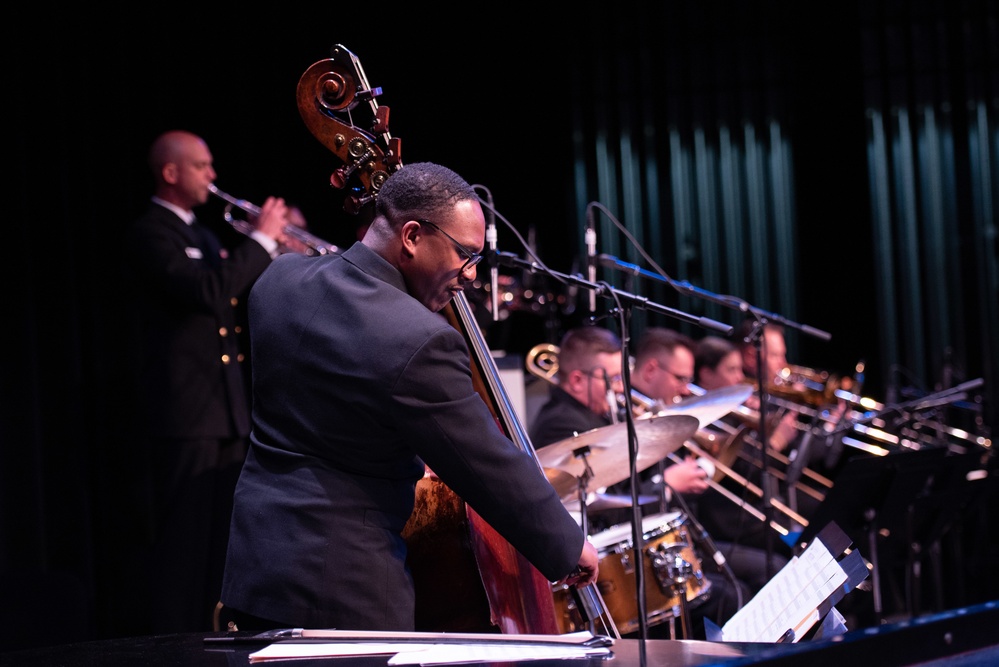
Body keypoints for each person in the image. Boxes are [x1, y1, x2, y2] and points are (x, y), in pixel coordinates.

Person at [220, 162, 598, 632]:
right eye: (465, 254)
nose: (471, 275)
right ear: (413, 235)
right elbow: (484, 464)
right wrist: (567, 543)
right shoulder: (418, 338)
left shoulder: (278, 282)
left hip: (254, 566)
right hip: (346, 586)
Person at [124, 129, 288, 632]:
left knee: (220, 540)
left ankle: (214, 633)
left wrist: (277, 256)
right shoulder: (152, 231)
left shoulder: (204, 234)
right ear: (171, 172)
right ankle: (175, 639)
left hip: (226, 410)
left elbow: (237, 291)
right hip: (187, 413)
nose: (212, 176)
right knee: (183, 541)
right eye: (202, 166)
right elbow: (208, 290)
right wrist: (260, 239)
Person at [528, 325, 745, 640]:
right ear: (577, 380)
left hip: (632, 555)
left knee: (731, 586)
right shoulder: (562, 423)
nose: (620, 389)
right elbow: (604, 509)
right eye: (613, 379)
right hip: (607, 573)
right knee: (728, 595)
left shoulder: (595, 415)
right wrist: (665, 485)